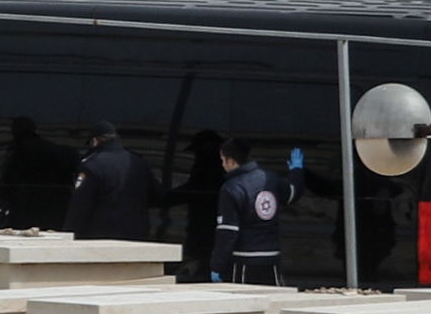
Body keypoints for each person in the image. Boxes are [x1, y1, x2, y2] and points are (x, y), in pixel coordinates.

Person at [210, 138, 304, 285]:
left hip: (245, 261)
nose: (222, 165)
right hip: (271, 258)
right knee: (274, 301)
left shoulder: (231, 188)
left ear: (231, 161)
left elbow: (228, 232)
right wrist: (297, 171)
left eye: (222, 160)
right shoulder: (271, 178)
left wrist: (217, 266)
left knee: (245, 305)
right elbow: (293, 192)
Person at [63, 120, 162, 240]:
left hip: (102, 237)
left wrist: (69, 234)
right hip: (137, 235)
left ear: (95, 141)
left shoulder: (92, 165)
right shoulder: (139, 162)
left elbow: (80, 206)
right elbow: (157, 197)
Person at [0, 116, 78, 230]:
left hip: (26, 210)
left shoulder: (18, 153)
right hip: (55, 210)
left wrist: (0, 200)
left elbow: (7, 182)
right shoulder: (56, 151)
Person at [163, 129, 225, 281]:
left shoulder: (207, 170)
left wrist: (161, 198)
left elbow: (193, 190)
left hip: (204, 231)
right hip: (206, 230)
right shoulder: (217, 170)